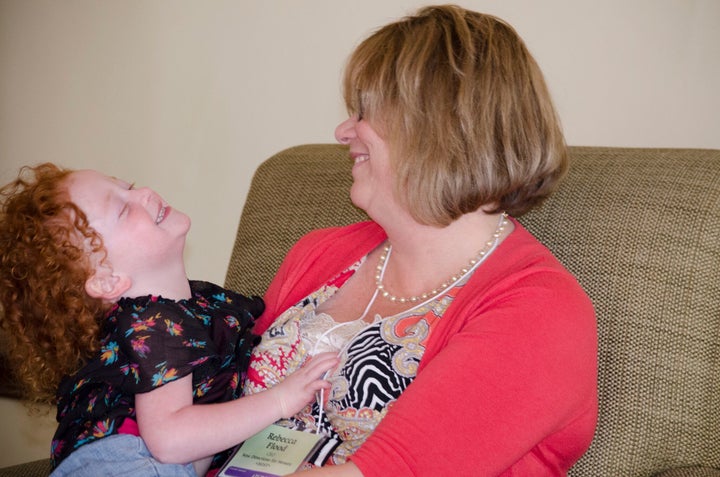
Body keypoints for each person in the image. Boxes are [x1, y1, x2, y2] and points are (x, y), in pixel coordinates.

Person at [243, 5, 598, 477]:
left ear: (437, 127)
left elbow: (392, 470)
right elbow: (211, 400)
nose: (343, 132)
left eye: (365, 112)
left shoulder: (541, 309)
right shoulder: (319, 253)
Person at [0, 163, 338, 477]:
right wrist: (279, 400)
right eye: (122, 208)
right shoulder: (156, 322)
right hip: (129, 463)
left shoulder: (185, 308)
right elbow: (170, 439)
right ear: (107, 280)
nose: (144, 193)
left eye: (128, 188)